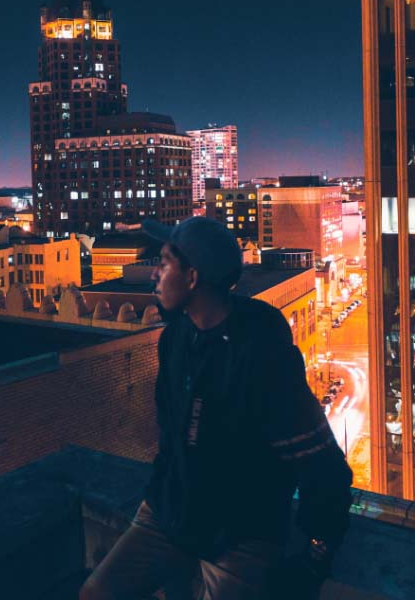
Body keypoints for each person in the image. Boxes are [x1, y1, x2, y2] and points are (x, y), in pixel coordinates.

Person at [80, 217, 354, 600]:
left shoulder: (260, 356)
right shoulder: (176, 339)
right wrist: (162, 494)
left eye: (163, 263)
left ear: (192, 278)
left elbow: (323, 466)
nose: (154, 275)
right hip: (169, 514)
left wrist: (314, 558)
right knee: (97, 594)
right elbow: (171, 435)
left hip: (238, 537)